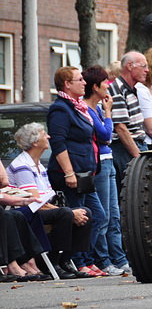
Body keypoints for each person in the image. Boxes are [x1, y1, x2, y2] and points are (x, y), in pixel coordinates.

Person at [7, 123, 93, 280]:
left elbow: (46, 199)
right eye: (43, 134)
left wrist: (74, 212)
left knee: (86, 212)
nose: (48, 136)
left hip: (39, 209)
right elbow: (35, 202)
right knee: (66, 213)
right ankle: (52, 262)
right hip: (24, 213)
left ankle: (66, 259)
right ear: (34, 142)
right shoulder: (22, 165)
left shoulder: (38, 164)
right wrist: (71, 213)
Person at [47, 66, 107, 277]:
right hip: (70, 175)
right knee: (78, 216)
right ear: (67, 84)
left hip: (85, 174)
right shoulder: (61, 109)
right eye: (79, 79)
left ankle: (79, 259)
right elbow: (58, 142)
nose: (84, 83)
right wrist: (69, 173)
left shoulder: (78, 107)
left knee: (96, 216)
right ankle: (72, 261)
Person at [82, 66, 132, 276]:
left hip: (108, 160)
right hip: (100, 163)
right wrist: (109, 113)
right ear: (95, 87)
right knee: (103, 216)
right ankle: (102, 260)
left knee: (113, 215)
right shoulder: (87, 109)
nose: (108, 86)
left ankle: (118, 258)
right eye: (104, 83)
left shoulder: (97, 109)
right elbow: (105, 135)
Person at [108, 51, 149, 192]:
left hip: (133, 146)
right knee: (131, 195)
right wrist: (138, 157)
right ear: (130, 66)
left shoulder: (131, 89)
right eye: (143, 66)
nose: (147, 70)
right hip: (125, 149)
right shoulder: (117, 89)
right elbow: (121, 128)